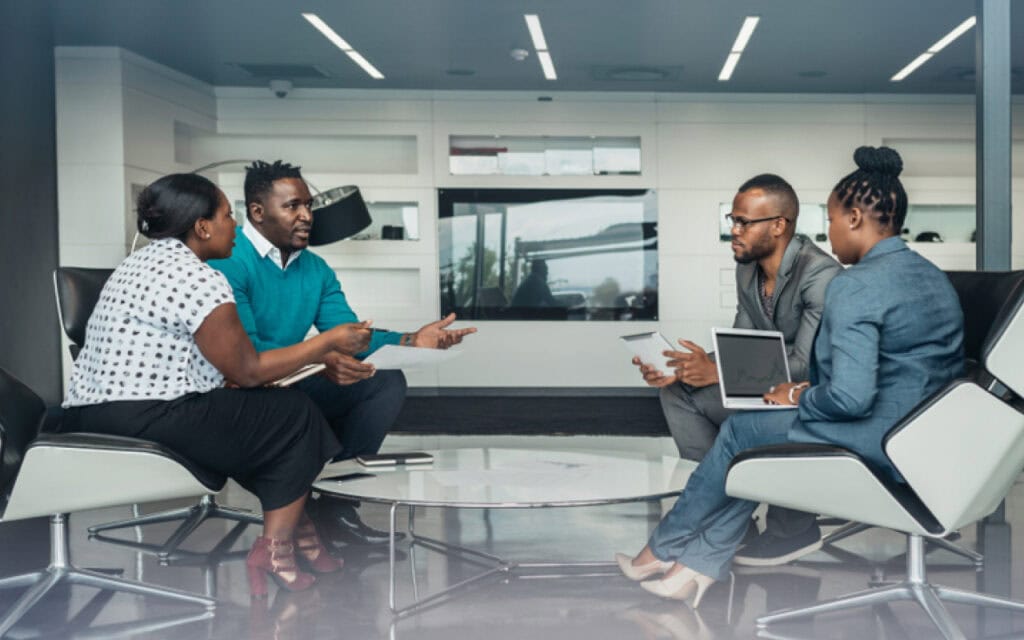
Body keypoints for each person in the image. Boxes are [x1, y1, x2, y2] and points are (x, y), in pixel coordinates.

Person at [617, 146, 964, 607]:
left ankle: (662, 549)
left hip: (876, 432)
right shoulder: (930, 275)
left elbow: (851, 398)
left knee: (746, 432)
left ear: (857, 218)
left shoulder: (851, 285)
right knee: (748, 434)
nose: (829, 231)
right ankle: (696, 564)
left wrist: (800, 394)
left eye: (834, 219)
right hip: (923, 430)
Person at [61, 173, 371, 597]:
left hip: (91, 412)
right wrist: (326, 344)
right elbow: (247, 369)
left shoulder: (137, 263)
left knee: (263, 410)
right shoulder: (197, 276)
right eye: (228, 216)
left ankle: (297, 531)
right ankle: (278, 547)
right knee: (296, 414)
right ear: (202, 227)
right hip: (148, 416)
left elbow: (215, 366)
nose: (236, 227)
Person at [209, 160, 475, 547]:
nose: (306, 216)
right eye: (293, 206)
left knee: (382, 381)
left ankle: (335, 506)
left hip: (291, 379)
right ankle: (299, 498)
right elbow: (245, 353)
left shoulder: (316, 269)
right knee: (322, 384)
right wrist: (321, 360)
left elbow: (349, 336)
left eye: (308, 206)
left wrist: (410, 340)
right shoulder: (229, 260)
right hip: (241, 387)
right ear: (257, 211)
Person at [634, 174, 841, 565]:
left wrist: (719, 372)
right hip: (767, 387)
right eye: (733, 220)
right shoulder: (748, 271)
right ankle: (723, 516)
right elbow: (743, 346)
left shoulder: (820, 274)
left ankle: (794, 528)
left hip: (811, 396)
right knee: (679, 395)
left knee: (747, 412)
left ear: (779, 225)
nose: (735, 231)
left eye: (744, 222)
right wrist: (684, 370)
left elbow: (807, 364)